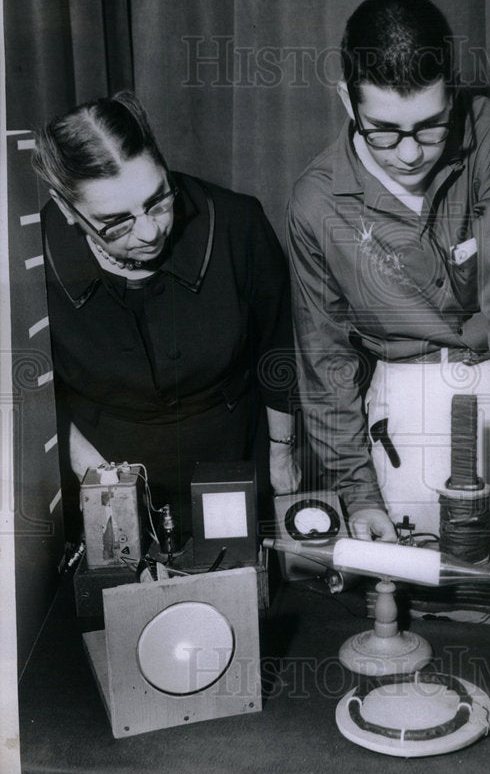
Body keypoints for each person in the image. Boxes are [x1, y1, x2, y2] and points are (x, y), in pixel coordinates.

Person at [287, 0, 490, 577]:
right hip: (398, 409)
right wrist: (359, 491)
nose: (411, 153)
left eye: (432, 126)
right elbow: (325, 362)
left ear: (454, 91)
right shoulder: (315, 203)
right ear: (347, 99)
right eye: (383, 132)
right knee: (411, 586)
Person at [33, 91, 299, 546]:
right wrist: (100, 483)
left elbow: (277, 346)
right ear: (65, 208)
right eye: (115, 223)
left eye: (158, 200)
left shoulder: (237, 222)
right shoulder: (32, 259)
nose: (150, 230)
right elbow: (38, 393)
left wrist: (282, 455)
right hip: (103, 469)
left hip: (232, 456)